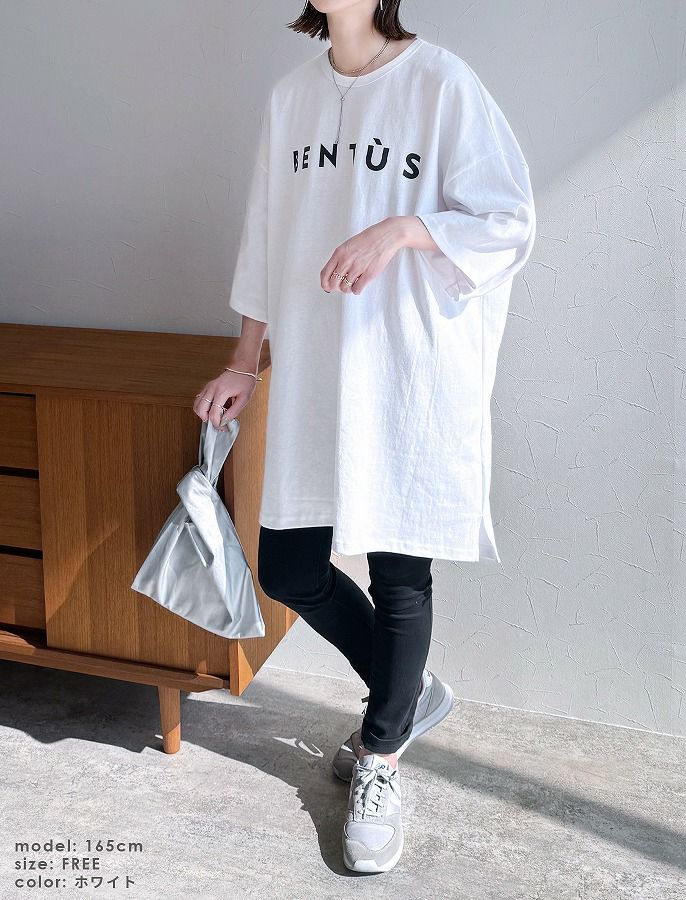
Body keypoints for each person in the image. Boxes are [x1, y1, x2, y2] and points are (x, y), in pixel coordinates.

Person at [193, 0, 536, 875]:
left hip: (405, 369)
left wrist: (408, 227)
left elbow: (508, 218)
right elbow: (265, 237)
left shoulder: (441, 83)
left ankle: (381, 753)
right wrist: (243, 361)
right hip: (315, 368)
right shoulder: (292, 98)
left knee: (398, 573)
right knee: (288, 569)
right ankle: (407, 691)